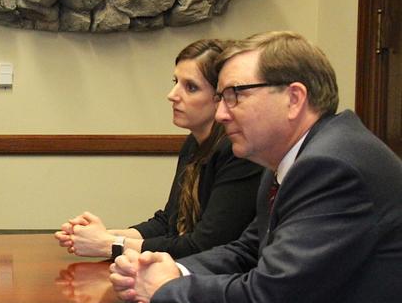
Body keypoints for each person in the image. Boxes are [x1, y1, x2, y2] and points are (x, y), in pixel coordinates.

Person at [109, 31, 402, 303]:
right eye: (220, 98)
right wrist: (176, 269)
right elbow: (248, 250)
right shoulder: (287, 159)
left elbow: (270, 297)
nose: (221, 114)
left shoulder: (331, 165)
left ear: (294, 98)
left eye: (235, 95)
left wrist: (166, 287)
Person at [55, 39, 262, 259]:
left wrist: (111, 245)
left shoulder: (238, 152)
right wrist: (101, 236)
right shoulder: (194, 143)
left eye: (191, 87)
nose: (172, 95)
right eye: (176, 82)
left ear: (220, 96)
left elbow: (204, 246)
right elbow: (168, 222)